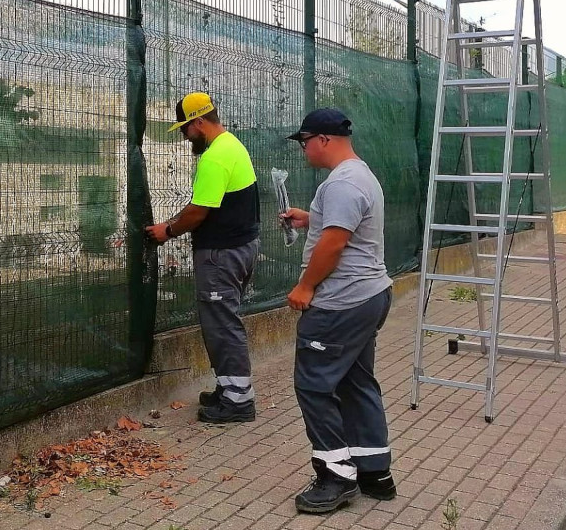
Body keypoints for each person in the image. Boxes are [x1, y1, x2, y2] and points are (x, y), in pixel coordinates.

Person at [279, 108, 396, 514]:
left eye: (305, 140)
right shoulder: (360, 175)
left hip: (341, 303)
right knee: (356, 382)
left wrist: (306, 286)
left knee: (314, 384)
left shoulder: (342, 184)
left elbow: (334, 244)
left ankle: (336, 475)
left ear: (324, 140)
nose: (304, 148)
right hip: (370, 296)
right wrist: (310, 219)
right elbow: (344, 224)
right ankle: (375, 472)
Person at [145, 92, 261, 424]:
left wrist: (166, 230)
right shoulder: (232, 145)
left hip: (222, 255)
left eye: (185, 129)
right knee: (223, 321)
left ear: (199, 122)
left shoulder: (213, 158)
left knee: (223, 325)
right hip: (241, 247)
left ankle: (239, 401)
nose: (184, 136)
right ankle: (229, 388)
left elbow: (198, 211)